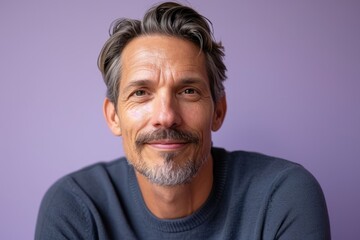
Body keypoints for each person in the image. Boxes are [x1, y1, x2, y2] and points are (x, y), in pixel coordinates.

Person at [35, 2, 331, 239]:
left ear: (218, 111)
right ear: (113, 116)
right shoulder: (76, 207)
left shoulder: (281, 196)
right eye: (141, 92)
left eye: (188, 91)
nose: (166, 116)